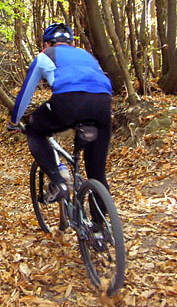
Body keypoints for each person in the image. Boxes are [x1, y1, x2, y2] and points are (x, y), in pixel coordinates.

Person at [7, 22, 113, 203]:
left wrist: (14, 122)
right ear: (70, 43)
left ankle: (58, 181)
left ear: (47, 44)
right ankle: (98, 228)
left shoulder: (44, 56)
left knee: (34, 129)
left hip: (68, 101)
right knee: (97, 174)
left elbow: (25, 94)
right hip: (103, 103)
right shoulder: (86, 55)